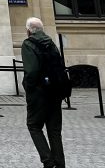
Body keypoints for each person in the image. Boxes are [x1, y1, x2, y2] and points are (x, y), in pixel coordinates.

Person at [22, 17, 65, 168]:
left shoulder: (28, 43)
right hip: (56, 91)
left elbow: (31, 71)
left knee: (33, 125)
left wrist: (28, 87)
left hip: (39, 93)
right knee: (54, 129)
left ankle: (48, 160)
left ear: (28, 30)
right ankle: (60, 163)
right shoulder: (51, 43)